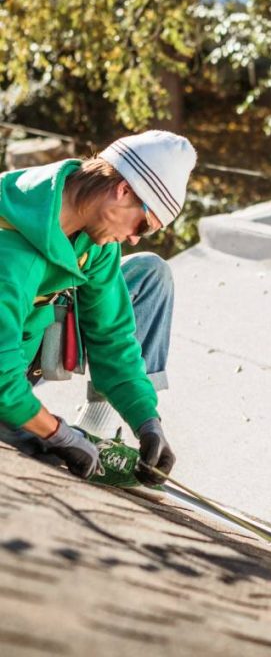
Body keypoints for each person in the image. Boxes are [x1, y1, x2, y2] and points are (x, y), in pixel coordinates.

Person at [0, 130, 196, 485]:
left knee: (150, 272)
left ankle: (91, 427)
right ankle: (46, 434)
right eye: (143, 225)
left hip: (25, 352)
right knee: (31, 438)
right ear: (122, 190)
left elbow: (112, 335)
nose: (135, 238)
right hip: (4, 366)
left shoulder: (96, 240)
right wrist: (57, 434)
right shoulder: (11, 246)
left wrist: (147, 420)